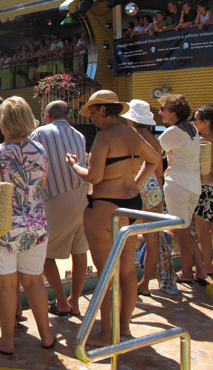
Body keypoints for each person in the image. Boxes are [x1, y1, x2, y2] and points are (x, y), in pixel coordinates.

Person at [66, 90, 159, 346]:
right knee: (128, 272)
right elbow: (154, 159)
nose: (92, 118)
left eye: (94, 112)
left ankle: (107, 333)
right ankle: (124, 328)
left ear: (104, 110)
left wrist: (73, 164)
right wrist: (135, 184)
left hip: (105, 208)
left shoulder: (104, 136)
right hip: (131, 205)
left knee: (107, 273)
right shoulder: (131, 133)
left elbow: (94, 177)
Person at [0, 96, 54, 355]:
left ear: (3, 123)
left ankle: (6, 339)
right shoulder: (39, 150)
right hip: (36, 225)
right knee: (35, 283)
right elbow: (41, 185)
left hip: (4, 228)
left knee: (7, 286)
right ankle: (47, 335)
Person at [29, 101, 88, 317]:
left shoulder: (40, 133)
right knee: (79, 251)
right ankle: (74, 300)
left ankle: (62, 302)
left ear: (47, 115)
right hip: (82, 197)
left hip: (56, 199)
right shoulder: (79, 135)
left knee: (43, 253)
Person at [158, 95, 207, 285]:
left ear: (174, 111)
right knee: (186, 230)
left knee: (181, 231)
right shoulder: (192, 129)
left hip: (177, 184)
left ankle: (186, 272)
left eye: (163, 108)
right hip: (193, 185)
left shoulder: (173, 132)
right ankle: (200, 270)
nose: (161, 112)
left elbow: (153, 150)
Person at [119, 100, 165, 296]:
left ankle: (127, 282)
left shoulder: (132, 137)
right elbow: (160, 170)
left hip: (139, 185)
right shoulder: (153, 139)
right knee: (151, 237)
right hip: (154, 187)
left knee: (129, 237)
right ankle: (145, 283)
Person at [193, 104, 213, 275]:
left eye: (196, 119)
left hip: (205, 188)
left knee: (203, 229)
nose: (194, 123)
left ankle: (207, 264)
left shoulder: (203, 142)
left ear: (206, 121)